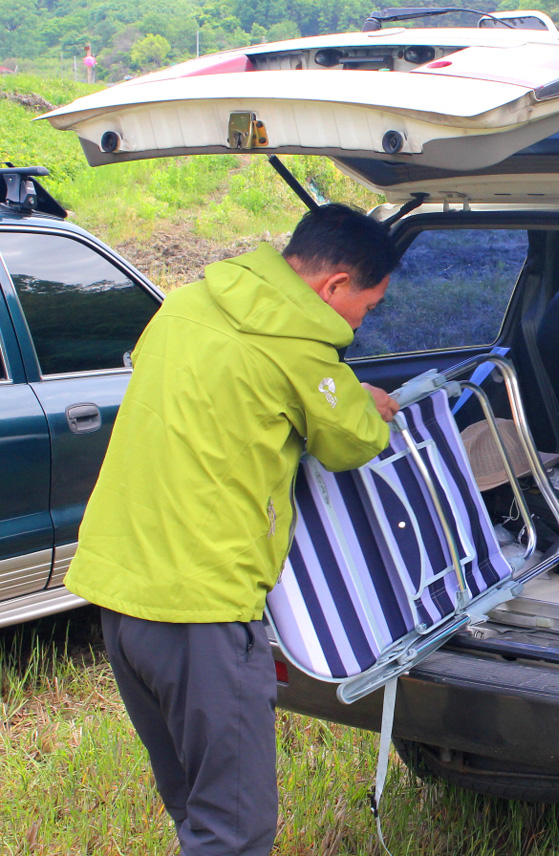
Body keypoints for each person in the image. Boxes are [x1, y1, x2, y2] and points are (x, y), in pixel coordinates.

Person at [64, 204, 401, 856]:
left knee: (195, 806)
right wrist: (364, 400)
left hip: (120, 594)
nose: (363, 321)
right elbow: (353, 441)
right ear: (334, 285)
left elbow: (229, 388)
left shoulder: (186, 303)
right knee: (235, 828)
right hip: (201, 607)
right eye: (368, 305)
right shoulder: (301, 343)